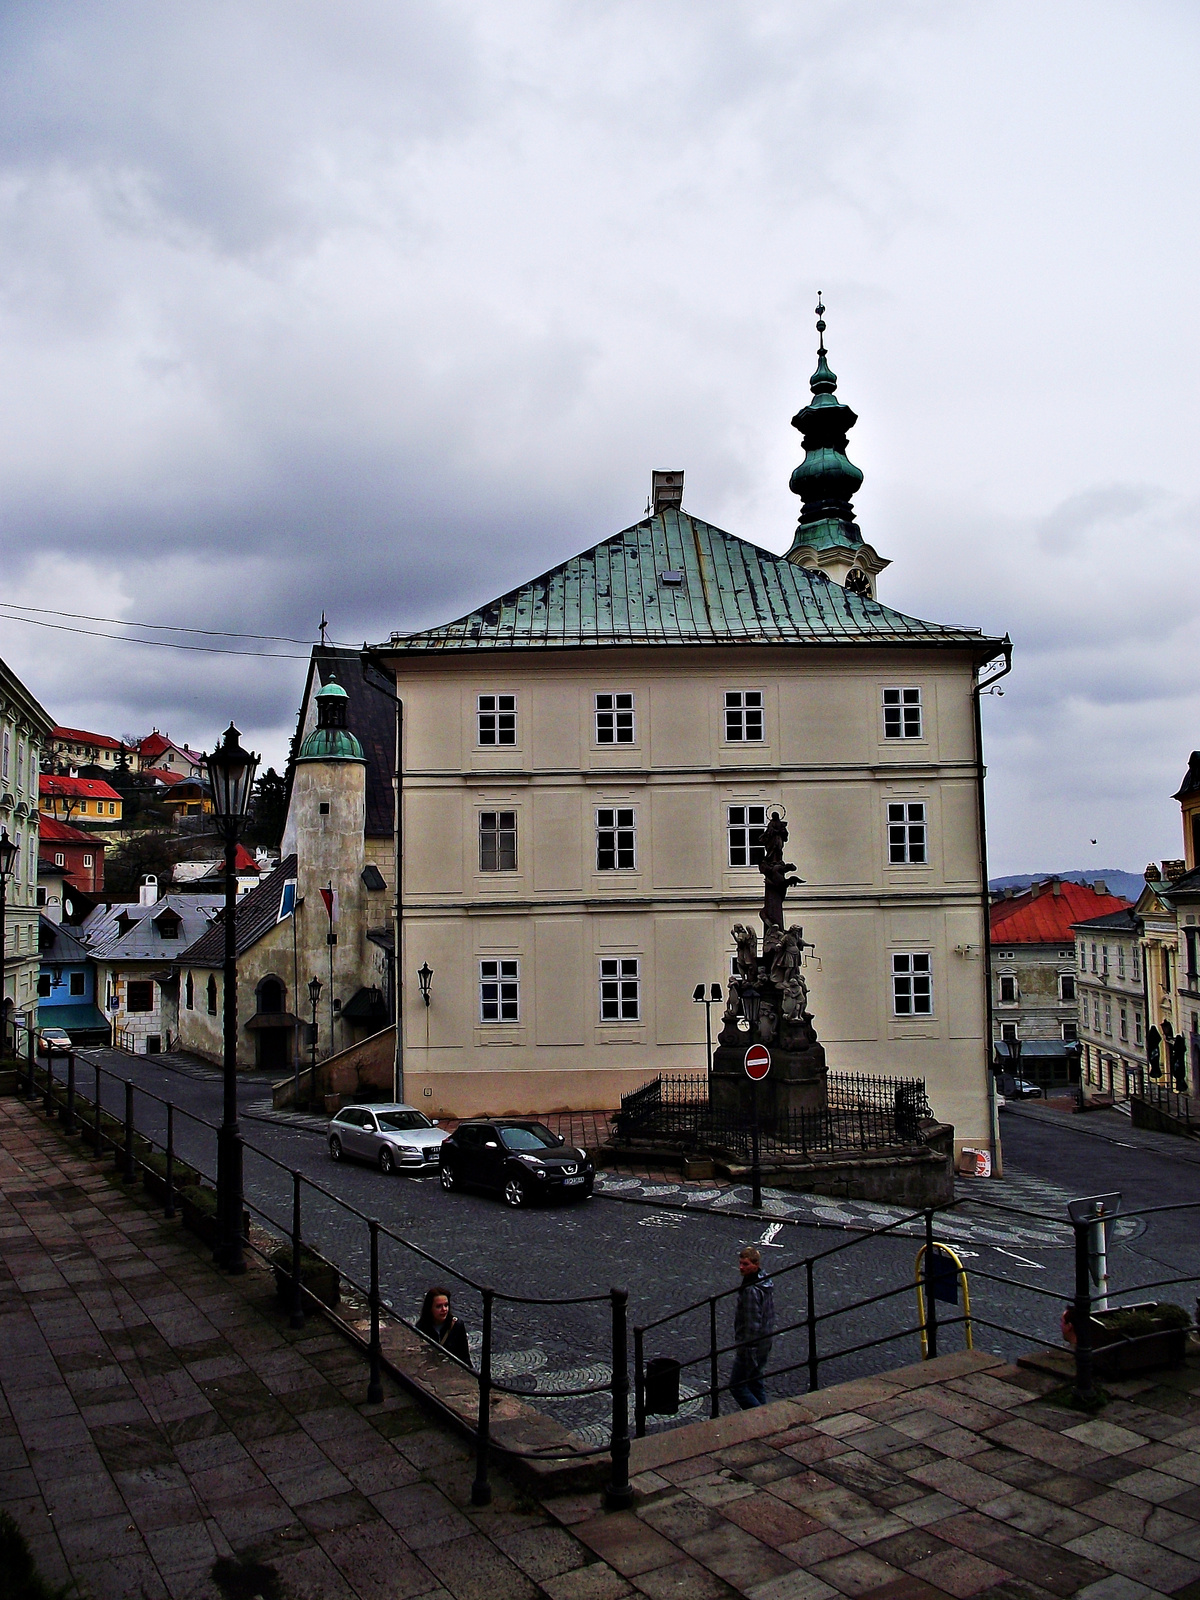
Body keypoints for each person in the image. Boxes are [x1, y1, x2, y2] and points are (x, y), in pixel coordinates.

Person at [729, 1246, 775, 1409]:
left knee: (737, 1385)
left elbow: (751, 1323)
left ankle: (760, 1416)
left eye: (746, 1264)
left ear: (755, 1264)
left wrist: (746, 1348)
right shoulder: (764, 1281)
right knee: (755, 1381)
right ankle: (765, 1414)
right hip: (765, 1341)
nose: (741, 1267)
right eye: (740, 1263)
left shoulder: (750, 1290)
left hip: (752, 1346)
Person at [417, 1286, 471, 1365]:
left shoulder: (457, 1325)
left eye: (446, 1305)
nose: (444, 1309)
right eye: (439, 1306)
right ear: (430, 1308)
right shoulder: (421, 1327)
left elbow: (464, 1356)